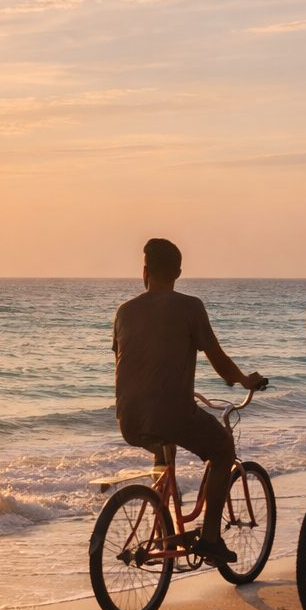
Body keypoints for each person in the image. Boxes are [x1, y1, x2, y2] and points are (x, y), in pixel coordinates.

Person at [113, 237, 267, 563]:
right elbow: (217, 359)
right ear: (178, 272)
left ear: (145, 271)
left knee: (160, 442)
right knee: (223, 447)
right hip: (172, 413)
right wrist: (242, 379)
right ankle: (210, 539)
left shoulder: (124, 312)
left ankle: (161, 508)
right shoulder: (190, 307)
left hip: (128, 418)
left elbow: (123, 363)